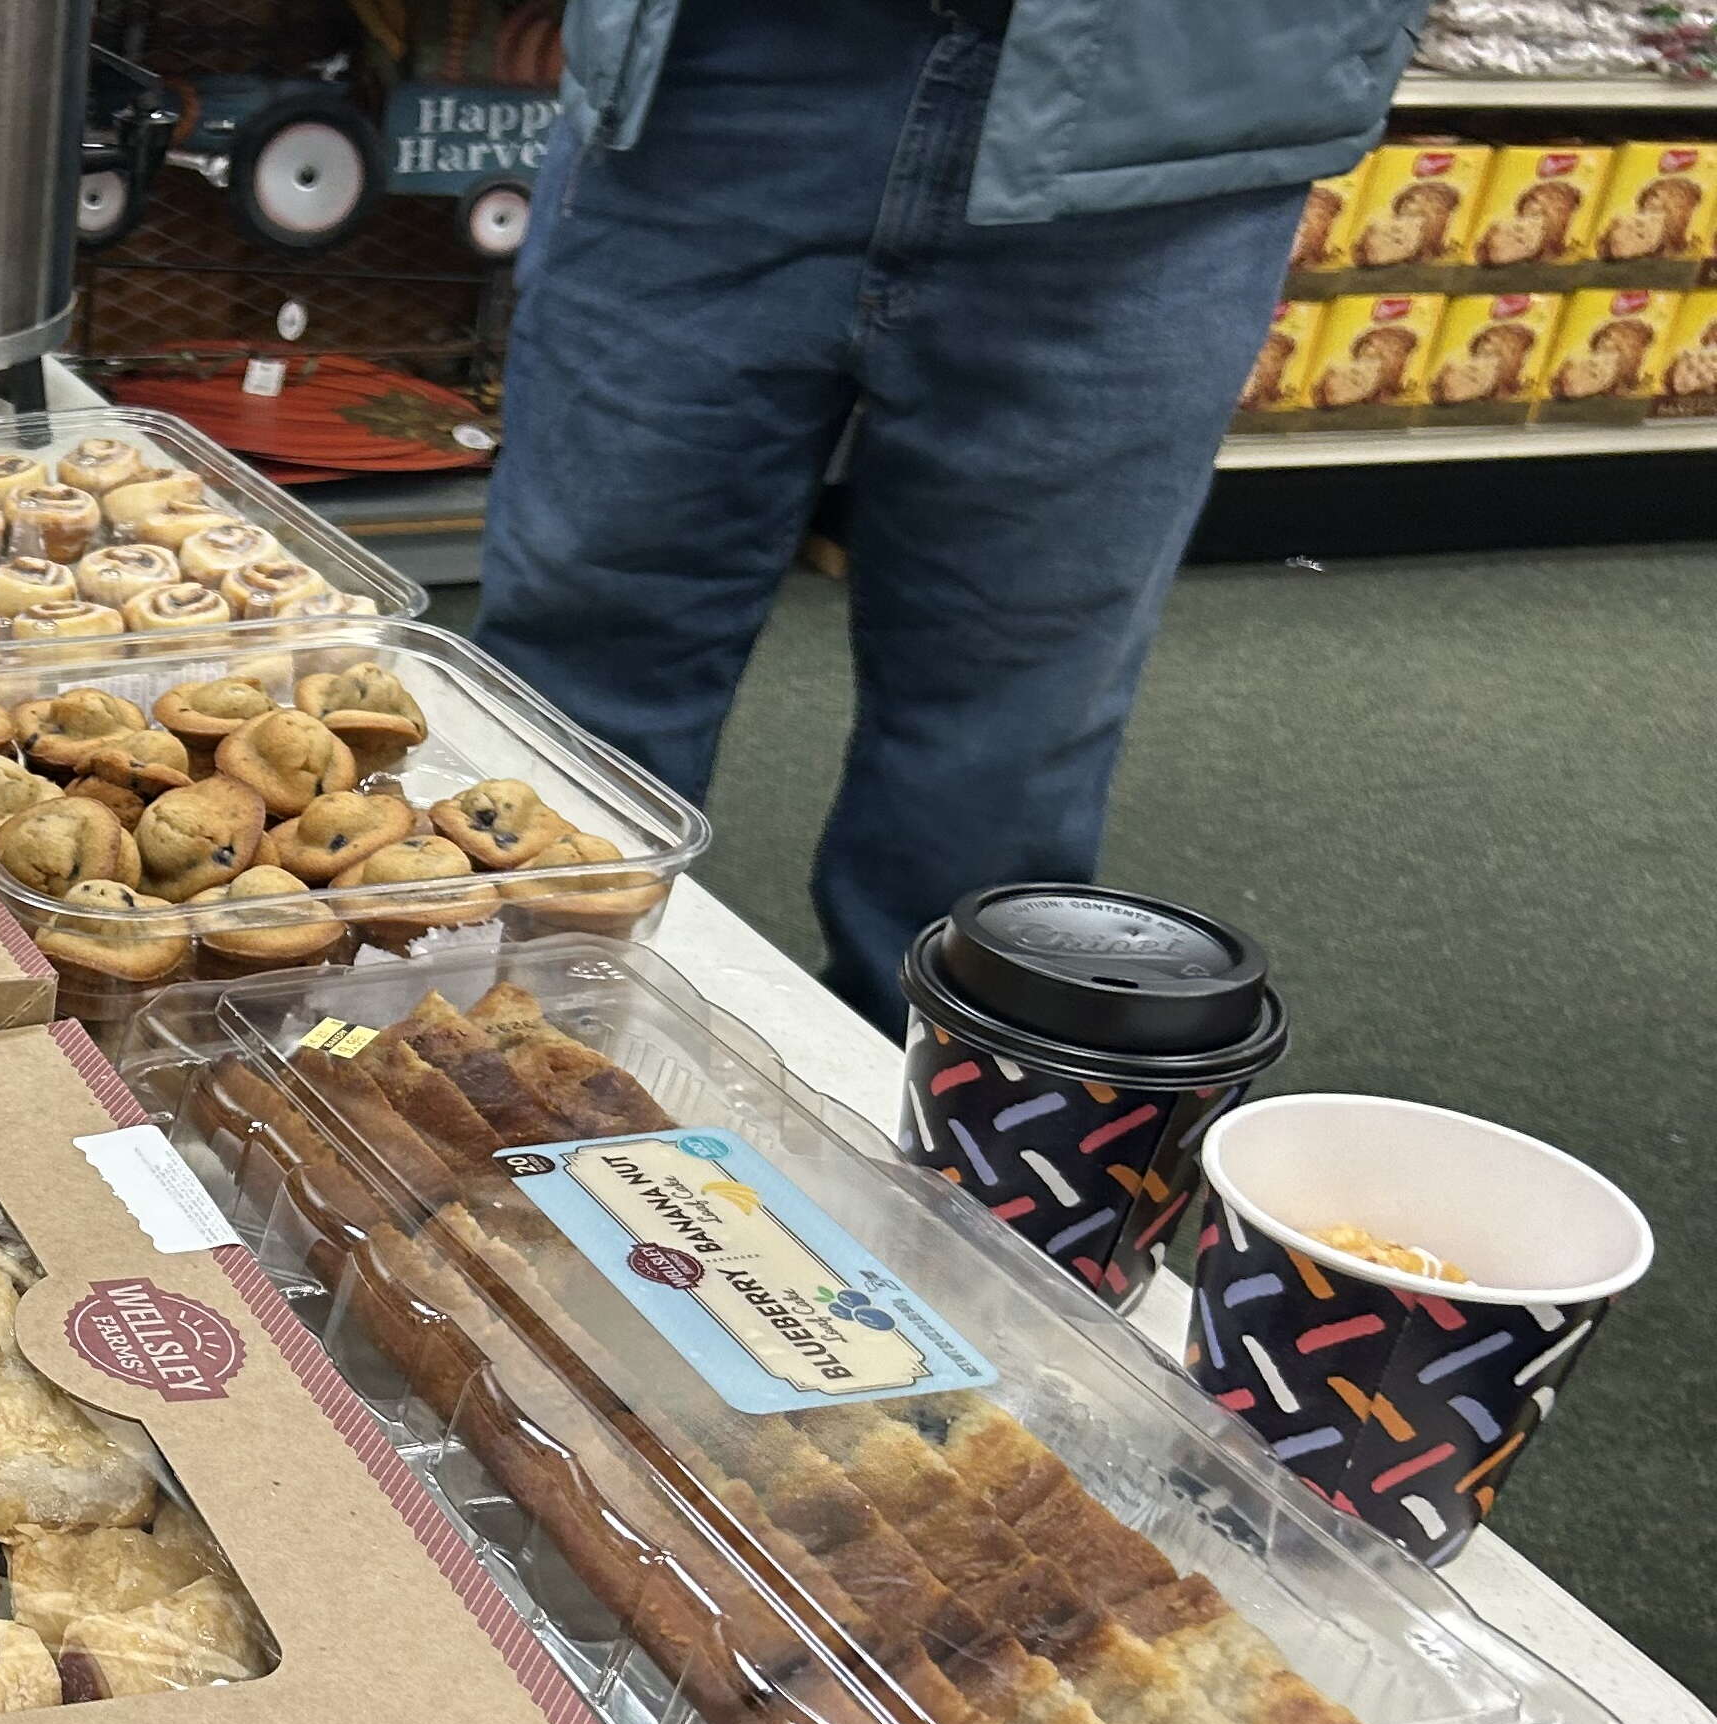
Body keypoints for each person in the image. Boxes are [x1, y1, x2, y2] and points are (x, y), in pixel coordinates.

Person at [475, 0, 1421, 1023]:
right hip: (722, 59)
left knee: (1006, 733)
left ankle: (940, 1135)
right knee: (577, 664)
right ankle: (468, 1075)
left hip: (1180, 106)